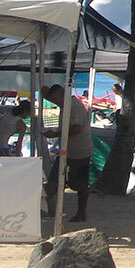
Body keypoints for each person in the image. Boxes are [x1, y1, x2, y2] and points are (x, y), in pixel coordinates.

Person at [41, 84, 91, 222]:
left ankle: (81, 213)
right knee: (54, 180)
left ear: (62, 95)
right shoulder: (65, 105)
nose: (54, 102)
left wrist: (56, 133)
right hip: (65, 151)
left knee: (80, 183)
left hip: (79, 151)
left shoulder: (74, 106)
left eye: (55, 99)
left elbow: (77, 128)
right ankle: (38, 208)